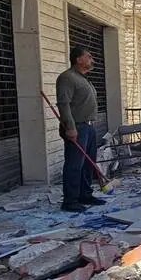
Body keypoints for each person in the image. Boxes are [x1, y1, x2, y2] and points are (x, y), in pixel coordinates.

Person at [56, 46, 102, 213]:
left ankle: (85, 194)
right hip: (77, 127)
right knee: (75, 164)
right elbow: (64, 104)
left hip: (89, 126)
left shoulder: (83, 78)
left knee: (88, 164)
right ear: (78, 59)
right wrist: (70, 127)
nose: (92, 60)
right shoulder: (67, 78)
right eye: (88, 56)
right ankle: (70, 200)